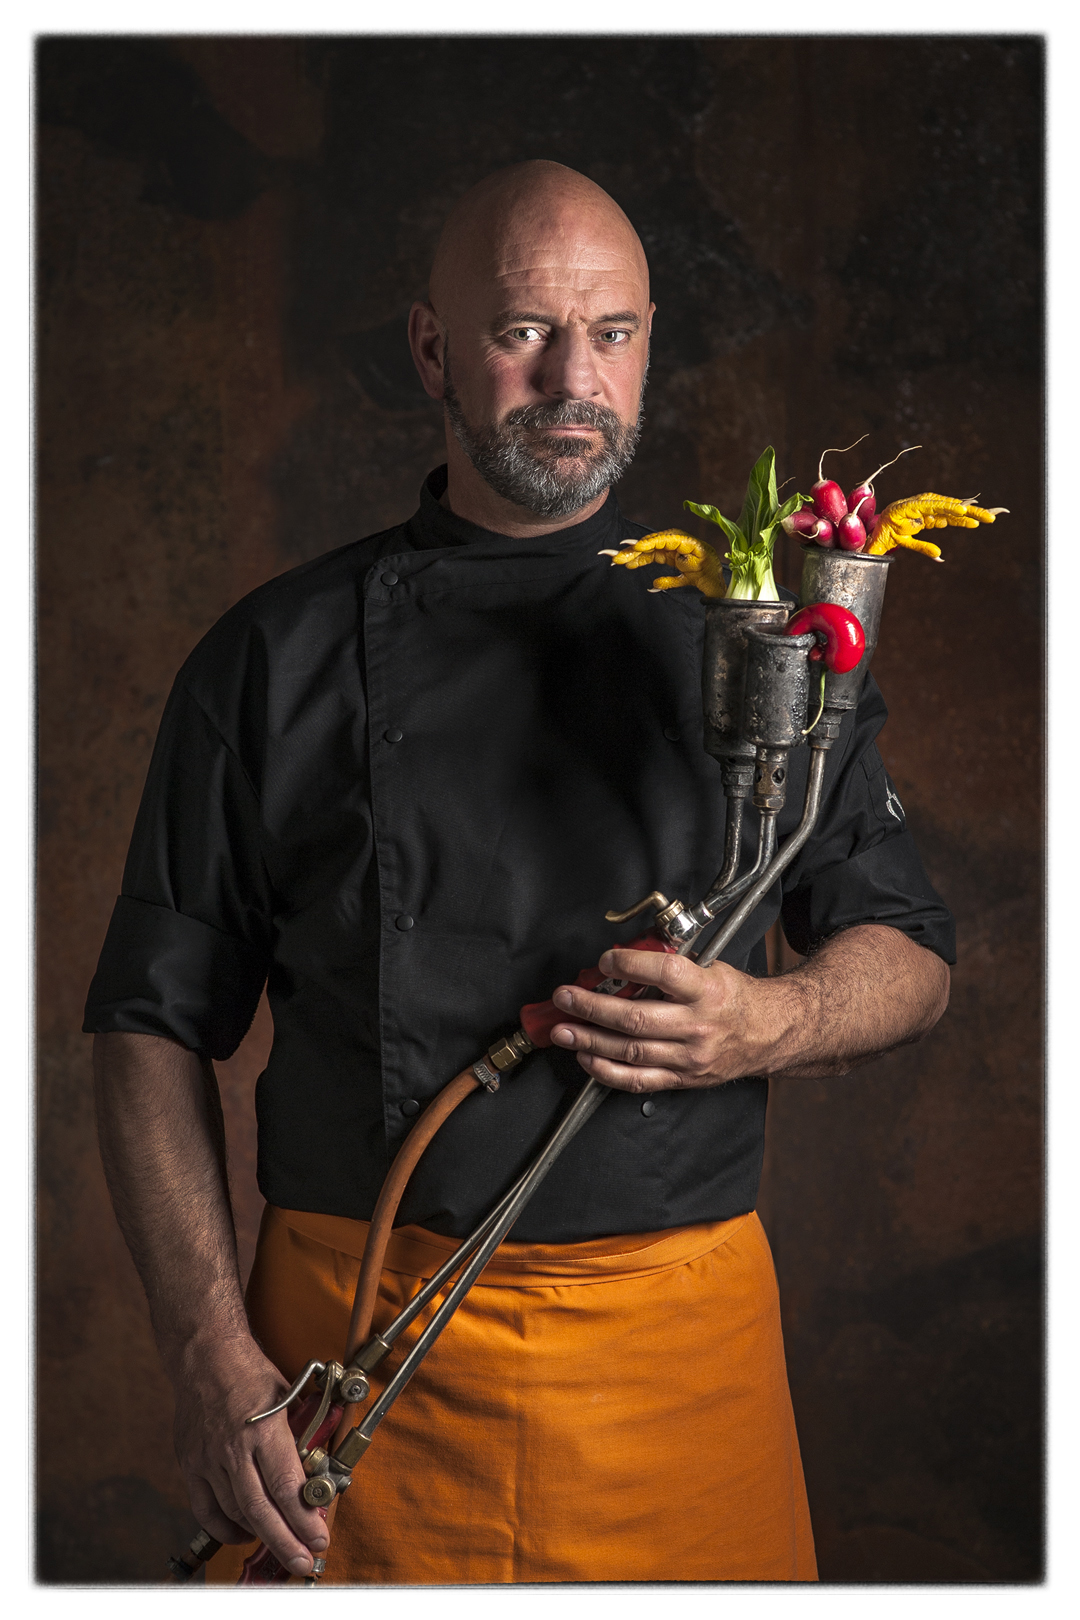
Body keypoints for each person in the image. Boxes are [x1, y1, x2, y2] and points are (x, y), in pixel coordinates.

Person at [85, 161, 954, 1585]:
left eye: (611, 334)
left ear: (650, 346)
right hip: (354, 1358)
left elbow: (909, 951)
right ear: (433, 349)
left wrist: (770, 1020)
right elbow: (146, 1022)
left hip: (677, 1364)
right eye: (522, 332)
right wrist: (205, 1350)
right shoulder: (271, 658)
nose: (572, 379)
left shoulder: (763, 643)